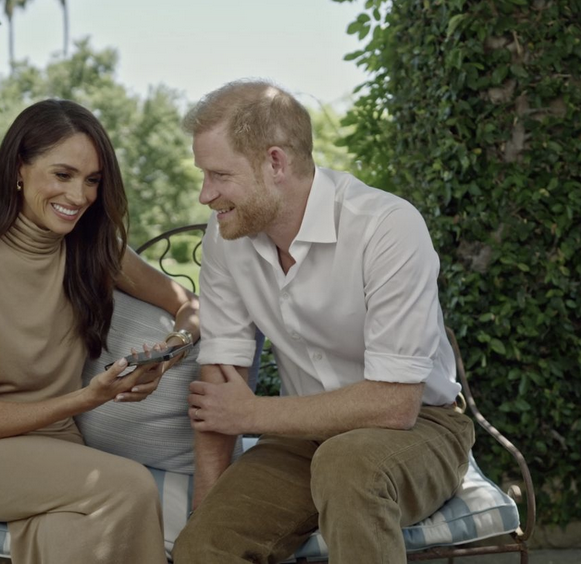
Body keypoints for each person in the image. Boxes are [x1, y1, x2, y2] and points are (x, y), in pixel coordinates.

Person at [171, 80, 475, 564]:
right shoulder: (226, 236)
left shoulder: (387, 227)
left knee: (348, 464)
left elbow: (396, 404)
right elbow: (221, 383)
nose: (206, 194)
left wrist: (252, 415)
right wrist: (208, 506)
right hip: (301, 438)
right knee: (205, 546)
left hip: (421, 430)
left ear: (275, 163)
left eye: (219, 175)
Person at [0, 99, 199, 564]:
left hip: (53, 445)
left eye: (92, 181)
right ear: (19, 170)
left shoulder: (95, 250)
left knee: (76, 539)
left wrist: (173, 350)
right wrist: (92, 396)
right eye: (63, 175)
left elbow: (189, 305)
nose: (80, 196)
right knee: (129, 486)